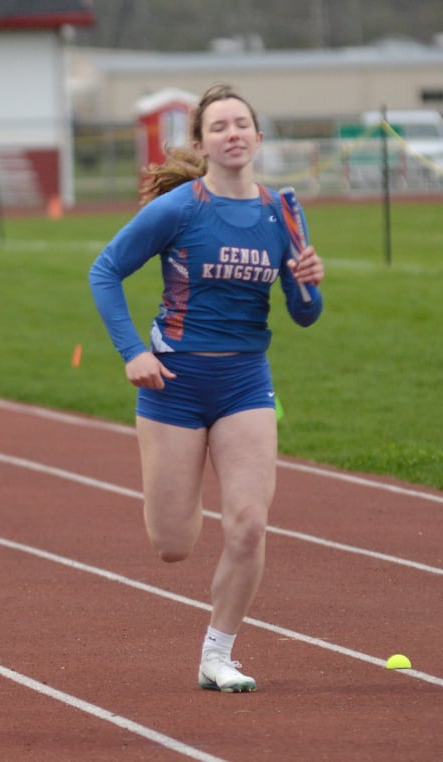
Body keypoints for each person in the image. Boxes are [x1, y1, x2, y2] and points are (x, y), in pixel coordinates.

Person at [88, 84, 324, 693]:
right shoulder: (181, 209)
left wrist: (308, 282)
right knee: (173, 543)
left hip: (246, 379)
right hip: (175, 381)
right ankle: (181, 479)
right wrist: (132, 352)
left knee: (248, 523)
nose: (233, 134)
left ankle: (218, 653)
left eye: (242, 124)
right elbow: (105, 270)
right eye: (219, 127)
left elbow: (303, 314)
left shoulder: (282, 211)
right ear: (202, 143)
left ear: (259, 137)